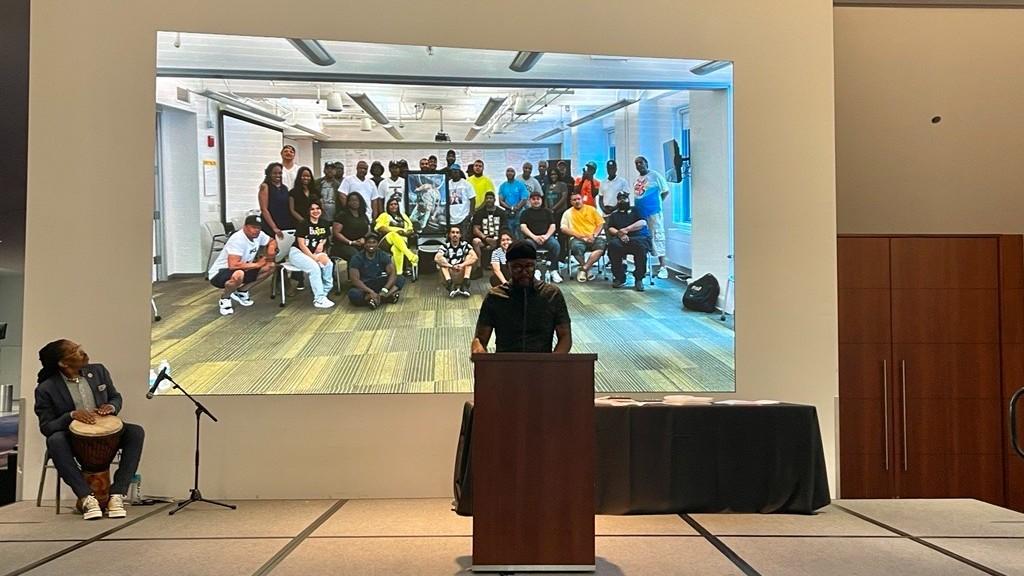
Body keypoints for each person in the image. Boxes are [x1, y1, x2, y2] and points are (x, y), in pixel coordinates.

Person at [34, 340, 145, 520]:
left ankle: (117, 495)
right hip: (73, 439)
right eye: (76, 352)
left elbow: (115, 396)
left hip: (105, 434)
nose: (83, 353)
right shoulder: (46, 389)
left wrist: (111, 406)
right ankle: (86, 497)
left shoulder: (98, 371)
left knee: (135, 432)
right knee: (55, 440)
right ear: (63, 363)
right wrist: (71, 415)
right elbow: (47, 427)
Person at [472, 241, 572, 354]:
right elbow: (480, 339)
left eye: (529, 266)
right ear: (508, 267)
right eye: (517, 267)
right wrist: (478, 352)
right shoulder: (495, 297)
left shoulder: (552, 294)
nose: (524, 272)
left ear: (535, 265)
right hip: (506, 364)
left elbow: (565, 336)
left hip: (542, 364)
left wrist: (553, 364)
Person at [208, 214, 278, 316]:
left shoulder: (259, 234)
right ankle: (225, 299)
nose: (256, 230)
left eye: (259, 228)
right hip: (220, 273)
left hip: (243, 268)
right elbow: (233, 265)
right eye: (253, 227)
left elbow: (272, 240)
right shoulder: (238, 239)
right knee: (238, 274)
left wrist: (271, 249)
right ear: (245, 227)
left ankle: (242, 291)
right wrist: (257, 264)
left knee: (270, 266)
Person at [289, 199, 334, 308]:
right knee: (314, 268)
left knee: (329, 264)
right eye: (312, 209)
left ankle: (324, 292)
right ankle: (318, 299)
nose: (315, 211)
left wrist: (322, 244)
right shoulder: (303, 224)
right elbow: (301, 244)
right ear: (308, 211)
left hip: (315, 251)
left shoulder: (324, 223)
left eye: (318, 208)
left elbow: (324, 237)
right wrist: (313, 257)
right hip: (299, 253)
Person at [633, 155, 671, 279]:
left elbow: (665, 191)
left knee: (658, 236)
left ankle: (663, 267)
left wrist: (656, 203)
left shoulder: (655, 176)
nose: (639, 165)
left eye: (641, 163)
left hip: (653, 213)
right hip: (640, 213)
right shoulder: (638, 179)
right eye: (637, 163)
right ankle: (645, 265)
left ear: (646, 163)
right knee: (643, 238)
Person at [606, 190, 651, 291]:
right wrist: (619, 234)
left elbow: (642, 222)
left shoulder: (636, 210)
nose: (622, 201)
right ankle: (619, 277)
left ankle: (639, 279)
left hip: (638, 238)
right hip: (621, 240)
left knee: (640, 247)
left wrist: (627, 230)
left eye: (624, 198)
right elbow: (610, 228)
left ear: (628, 199)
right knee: (613, 245)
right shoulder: (614, 215)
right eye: (620, 199)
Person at [347, 233, 405, 309]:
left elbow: (392, 273)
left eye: (374, 242)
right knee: (353, 294)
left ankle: (377, 299)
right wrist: (370, 292)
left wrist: (384, 289)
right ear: (364, 245)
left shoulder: (382, 255)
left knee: (400, 278)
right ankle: (384, 298)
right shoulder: (357, 258)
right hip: (364, 285)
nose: (371, 245)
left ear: (377, 244)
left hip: (379, 282)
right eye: (369, 242)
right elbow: (355, 280)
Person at [560, 191, 606, 283]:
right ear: (571, 202)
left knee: (601, 246)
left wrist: (594, 235)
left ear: (582, 200)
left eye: (578, 199)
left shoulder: (592, 209)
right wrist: (580, 237)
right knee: (576, 247)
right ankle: (588, 269)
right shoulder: (567, 213)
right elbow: (563, 228)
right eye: (574, 200)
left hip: (593, 236)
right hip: (577, 238)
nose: (577, 201)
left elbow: (601, 224)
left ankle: (584, 269)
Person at [519, 190, 563, 283]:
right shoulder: (525, 213)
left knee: (556, 245)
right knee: (528, 246)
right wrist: (534, 237)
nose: (536, 201)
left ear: (541, 200)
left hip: (546, 238)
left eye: (538, 199)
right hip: (532, 238)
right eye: (533, 199)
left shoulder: (547, 212)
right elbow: (523, 227)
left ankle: (553, 270)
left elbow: (553, 226)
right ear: (530, 201)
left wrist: (546, 236)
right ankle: (535, 270)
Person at [374, 196, 418, 275]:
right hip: (386, 241)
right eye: (391, 204)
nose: (394, 206)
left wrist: (406, 232)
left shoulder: (403, 216)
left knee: (396, 249)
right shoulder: (384, 215)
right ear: (387, 206)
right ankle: (410, 256)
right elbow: (379, 228)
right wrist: (397, 231)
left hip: (402, 242)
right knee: (394, 234)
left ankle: (398, 273)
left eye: (395, 204)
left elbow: (410, 228)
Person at [435, 225, 477, 298]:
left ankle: (465, 284)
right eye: (453, 232)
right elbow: (436, 258)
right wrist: (451, 266)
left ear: (460, 235)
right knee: (441, 259)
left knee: (470, 257)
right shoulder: (445, 246)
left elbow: (475, 257)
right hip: (449, 274)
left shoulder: (465, 245)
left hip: (462, 273)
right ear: (449, 235)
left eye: (457, 233)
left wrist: (462, 265)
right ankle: (450, 285)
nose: (455, 234)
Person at [330, 192, 371, 263]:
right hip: (343, 245)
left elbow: (368, 230)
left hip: (360, 243)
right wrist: (351, 242)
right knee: (356, 256)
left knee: (374, 252)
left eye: (356, 200)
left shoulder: (363, 215)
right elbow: (336, 233)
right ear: (348, 202)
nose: (354, 202)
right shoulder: (342, 215)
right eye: (352, 200)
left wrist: (364, 238)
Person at [257, 162, 293, 240]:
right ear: (269, 174)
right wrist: (274, 227)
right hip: (270, 224)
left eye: (280, 173)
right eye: (275, 173)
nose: (278, 175)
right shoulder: (265, 186)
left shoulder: (284, 188)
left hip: (284, 223)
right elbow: (264, 209)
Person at [471, 191, 508, 260]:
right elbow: (475, 229)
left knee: (507, 241)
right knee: (475, 241)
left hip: (498, 239)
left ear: (494, 200)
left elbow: (505, 228)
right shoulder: (479, 213)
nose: (489, 200)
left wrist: (496, 240)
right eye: (487, 198)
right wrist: (486, 239)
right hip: (484, 239)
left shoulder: (502, 212)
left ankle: (504, 265)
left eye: (491, 198)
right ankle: (479, 266)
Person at [499, 166, 529, 238]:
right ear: (506, 174)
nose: (510, 173)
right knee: (510, 233)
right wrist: (510, 208)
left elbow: (524, 199)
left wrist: (516, 208)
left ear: (514, 173)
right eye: (508, 171)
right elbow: (501, 201)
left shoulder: (520, 184)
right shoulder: (502, 186)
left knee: (519, 233)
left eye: (511, 171)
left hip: (519, 212)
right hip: (508, 213)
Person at [448, 163, 473, 232]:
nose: (454, 173)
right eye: (452, 171)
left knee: (464, 239)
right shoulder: (448, 184)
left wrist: (470, 215)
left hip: (463, 217)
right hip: (451, 218)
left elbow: (472, 199)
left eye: (456, 171)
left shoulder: (466, 184)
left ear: (459, 172)